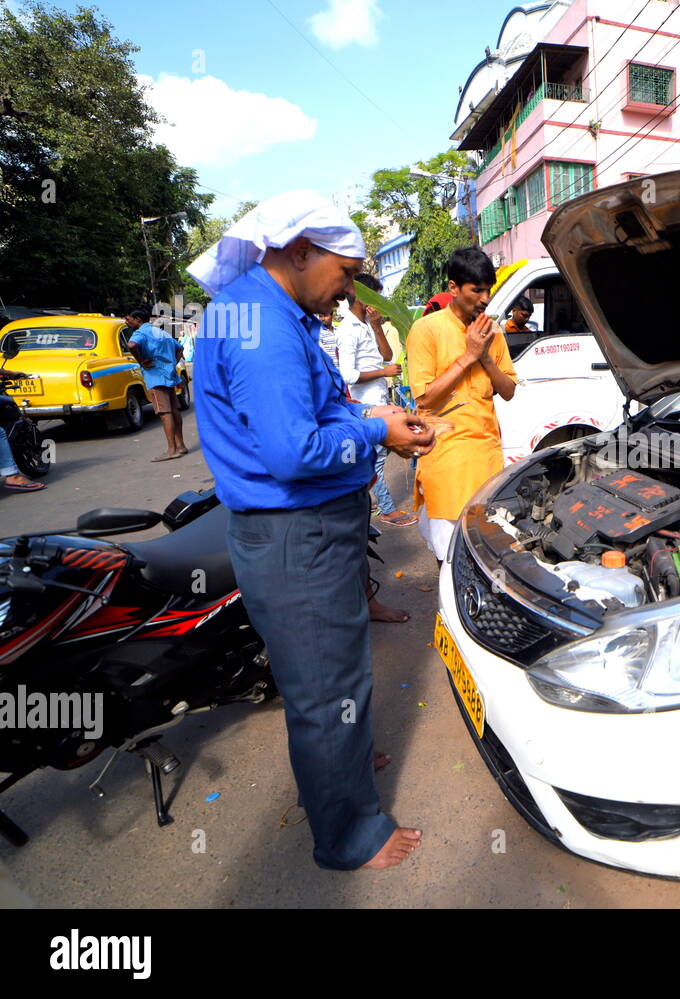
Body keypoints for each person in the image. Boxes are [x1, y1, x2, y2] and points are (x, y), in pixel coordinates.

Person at [187, 191, 445, 871]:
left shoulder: (272, 311)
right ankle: (349, 835)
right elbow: (294, 451)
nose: (352, 286)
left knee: (336, 682)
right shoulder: (262, 327)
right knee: (327, 689)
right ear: (300, 250)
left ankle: (344, 764)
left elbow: (321, 409)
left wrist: (376, 416)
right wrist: (376, 429)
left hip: (302, 534)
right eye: (349, 269)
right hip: (296, 535)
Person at [406, 247, 517, 561]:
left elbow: (507, 390)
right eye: (477, 290)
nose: (485, 298)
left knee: (486, 552)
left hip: (486, 455)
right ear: (453, 288)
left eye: (488, 290)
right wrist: (468, 357)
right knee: (449, 556)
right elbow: (425, 397)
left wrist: (484, 357)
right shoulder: (426, 330)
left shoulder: (491, 332)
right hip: (446, 458)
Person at [335, 273, 417, 528]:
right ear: (361, 296)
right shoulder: (348, 329)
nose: (379, 301)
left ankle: (369, 502)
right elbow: (347, 375)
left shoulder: (369, 324)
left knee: (374, 457)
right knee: (376, 459)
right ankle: (388, 510)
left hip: (380, 398)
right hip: (366, 404)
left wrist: (378, 326)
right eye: (375, 296)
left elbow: (387, 354)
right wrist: (384, 372)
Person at [124, 308, 188, 460]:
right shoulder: (160, 332)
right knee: (174, 410)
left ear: (138, 319)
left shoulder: (140, 333)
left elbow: (131, 345)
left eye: (129, 319)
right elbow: (180, 348)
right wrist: (172, 364)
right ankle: (181, 445)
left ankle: (172, 449)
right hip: (169, 375)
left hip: (155, 377)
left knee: (165, 413)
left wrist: (141, 361)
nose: (127, 322)